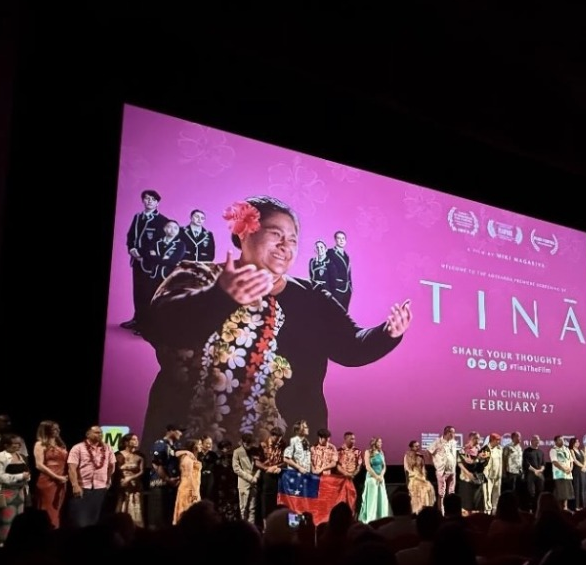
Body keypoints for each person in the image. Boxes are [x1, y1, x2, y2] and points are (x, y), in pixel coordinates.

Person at [139, 195, 410, 445]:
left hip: (287, 453)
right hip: (191, 450)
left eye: (292, 240)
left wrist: (387, 333)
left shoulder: (312, 296)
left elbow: (351, 347)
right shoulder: (197, 276)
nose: (285, 246)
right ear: (245, 233)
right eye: (276, 235)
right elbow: (160, 328)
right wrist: (221, 296)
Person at [124, 189, 164, 330]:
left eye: (153, 199)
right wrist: (131, 249)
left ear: (157, 203)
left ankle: (147, 325)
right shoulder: (137, 217)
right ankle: (137, 319)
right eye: (146, 198)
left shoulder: (162, 221)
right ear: (142, 200)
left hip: (151, 264)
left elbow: (159, 243)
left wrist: (141, 253)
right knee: (138, 291)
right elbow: (130, 236)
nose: (149, 201)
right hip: (136, 261)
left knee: (149, 293)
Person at [0, 434, 30, 546]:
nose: (18, 446)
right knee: (4, 520)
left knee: (17, 520)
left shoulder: (20, 457)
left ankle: (14, 543)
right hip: (5, 493)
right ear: (6, 445)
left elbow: (26, 473)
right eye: (15, 444)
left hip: (19, 494)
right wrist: (20, 476)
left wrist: (27, 476)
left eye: (20, 444)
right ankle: (0, 543)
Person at [66, 425, 116, 527]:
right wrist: (75, 485)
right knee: (81, 520)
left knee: (95, 519)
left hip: (100, 488)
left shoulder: (107, 448)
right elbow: (72, 468)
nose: (100, 434)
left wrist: (108, 480)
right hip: (83, 487)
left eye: (101, 432)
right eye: (96, 432)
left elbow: (112, 465)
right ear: (88, 434)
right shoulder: (78, 448)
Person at [279, 420, 322, 516]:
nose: (307, 429)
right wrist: (298, 467)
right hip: (295, 476)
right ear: (299, 430)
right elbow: (286, 458)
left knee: (303, 502)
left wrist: (313, 469)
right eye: (305, 427)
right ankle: (293, 523)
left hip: (305, 476)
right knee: (294, 502)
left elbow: (307, 458)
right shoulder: (293, 441)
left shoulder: (306, 442)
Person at [32, 420, 69, 527]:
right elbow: (39, 465)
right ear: (46, 430)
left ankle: (55, 532)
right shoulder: (40, 444)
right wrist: (56, 477)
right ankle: (47, 532)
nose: (58, 430)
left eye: (58, 428)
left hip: (61, 480)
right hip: (48, 481)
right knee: (47, 509)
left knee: (57, 508)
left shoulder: (60, 444)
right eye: (54, 429)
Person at [147, 423, 183, 529]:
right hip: (160, 484)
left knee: (168, 517)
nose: (181, 434)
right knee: (158, 516)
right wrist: (167, 479)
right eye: (179, 430)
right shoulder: (160, 444)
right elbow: (156, 464)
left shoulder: (174, 447)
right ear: (171, 430)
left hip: (171, 486)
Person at [309, 429, 340, 525]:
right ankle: (315, 521)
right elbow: (309, 460)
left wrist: (322, 468)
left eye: (328, 439)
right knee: (315, 500)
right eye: (324, 439)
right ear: (320, 438)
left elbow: (334, 463)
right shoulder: (313, 448)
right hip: (314, 478)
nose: (327, 441)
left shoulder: (332, 448)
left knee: (327, 500)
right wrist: (313, 469)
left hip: (327, 478)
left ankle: (326, 520)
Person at [326, 431, 361, 515]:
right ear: (345, 439)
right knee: (341, 499)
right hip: (341, 480)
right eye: (351, 439)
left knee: (353, 498)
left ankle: (353, 516)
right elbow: (337, 466)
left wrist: (353, 474)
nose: (353, 441)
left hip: (354, 479)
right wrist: (346, 474)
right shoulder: (339, 451)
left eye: (354, 439)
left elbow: (359, 465)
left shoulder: (357, 451)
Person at [115, 433, 145, 526]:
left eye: (137, 439)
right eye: (133, 439)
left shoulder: (140, 456)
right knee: (122, 504)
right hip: (122, 484)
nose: (136, 441)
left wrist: (131, 478)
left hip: (135, 485)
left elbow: (141, 471)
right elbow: (114, 470)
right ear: (126, 442)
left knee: (135, 506)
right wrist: (122, 480)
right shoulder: (118, 455)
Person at [359, 437, 390, 523]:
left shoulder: (381, 452)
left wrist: (381, 476)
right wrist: (376, 477)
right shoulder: (368, 452)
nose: (381, 444)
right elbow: (368, 467)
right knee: (372, 499)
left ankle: (381, 517)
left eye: (381, 442)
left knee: (381, 498)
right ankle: (371, 519)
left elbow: (384, 466)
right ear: (375, 443)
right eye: (379, 442)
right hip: (372, 479)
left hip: (380, 479)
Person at [172, 438, 202, 524]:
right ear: (194, 446)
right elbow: (189, 476)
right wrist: (193, 492)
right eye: (199, 444)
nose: (201, 446)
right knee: (187, 510)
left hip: (194, 486)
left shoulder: (192, 457)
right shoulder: (187, 458)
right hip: (188, 488)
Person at [231, 433, 259, 524]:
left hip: (255, 483)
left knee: (252, 508)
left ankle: (252, 528)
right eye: (247, 444)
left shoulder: (255, 451)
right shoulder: (237, 451)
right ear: (242, 442)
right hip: (244, 483)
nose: (249, 446)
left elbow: (259, 466)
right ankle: (244, 528)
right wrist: (250, 478)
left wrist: (256, 477)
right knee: (243, 508)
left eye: (250, 443)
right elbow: (236, 469)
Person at [403, 440, 436, 515]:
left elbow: (423, 468)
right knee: (417, 490)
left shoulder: (420, 456)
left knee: (427, 488)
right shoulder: (407, 456)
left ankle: (425, 511)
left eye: (418, 446)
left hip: (421, 476)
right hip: (413, 476)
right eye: (416, 446)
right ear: (411, 447)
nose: (418, 447)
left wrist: (423, 476)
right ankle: (416, 511)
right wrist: (415, 475)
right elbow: (407, 468)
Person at [457, 433, 487, 515]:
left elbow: (482, 463)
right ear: (472, 439)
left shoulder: (479, 449)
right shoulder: (463, 449)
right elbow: (461, 463)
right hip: (467, 478)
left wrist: (482, 458)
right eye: (477, 439)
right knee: (467, 502)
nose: (478, 441)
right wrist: (468, 473)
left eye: (479, 439)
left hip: (478, 478)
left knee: (478, 502)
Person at [325, 229, 352, 311]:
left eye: (343, 238)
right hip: (336, 289)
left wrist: (350, 287)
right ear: (335, 240)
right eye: (339, 238)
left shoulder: (346, 256)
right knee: (334, 313)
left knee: (344, 314)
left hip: (347, 289)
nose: (341, 240)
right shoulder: (330, 253)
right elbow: (327, 272)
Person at [431, 427, 459, 506]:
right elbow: (429, 451)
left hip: (452, 471)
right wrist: (434, 463)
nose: (454, 434)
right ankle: (442, 513)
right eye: (453, 432)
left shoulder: (453, 442)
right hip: (442, 471)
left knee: (451, 492)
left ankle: (451, 511)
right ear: (448, 433)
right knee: (441, 493)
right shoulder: (438, 442)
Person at [483, 434, 504, 516]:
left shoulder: (499, 449)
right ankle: (487, 512)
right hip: (489, 476)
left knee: (497, 494)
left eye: (499, 440)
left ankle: (495, 511)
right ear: (492, 440)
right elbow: (485, 464)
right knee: (488, 495)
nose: (499, 442)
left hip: (498, 476)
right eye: (497, 440)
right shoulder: (486, 449)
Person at [523, 434, 545, 506]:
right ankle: (531, 508)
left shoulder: (541, 452)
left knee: (540, 491)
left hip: (539, 474)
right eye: (536, 440)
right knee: (531, 492)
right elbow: (526, 463)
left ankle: (538, 507)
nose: (538, 442)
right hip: (531, 474)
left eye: (538, 440)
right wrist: (535, 470)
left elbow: (543, 464)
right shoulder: (527, 451)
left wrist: (540, 470)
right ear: (532, 441)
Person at [550, 436, 573, 504]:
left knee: (567, 492)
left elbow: (571, 460)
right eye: (560, 440)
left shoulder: (566, 449)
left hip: (568, 473)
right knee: (560, 492)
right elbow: (554, 462)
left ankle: (565, 507)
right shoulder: (553, 450)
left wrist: (570, 469)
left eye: (563, 440)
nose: (562, 441)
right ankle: (560, 508)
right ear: (555, 441)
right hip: (559, 474)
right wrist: (563, 469)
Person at [502, 431, 525, 496]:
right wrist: (504, 472)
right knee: (511, 490)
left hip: (519, 472)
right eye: (518, 436)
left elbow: (520, 460)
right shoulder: (507, 447)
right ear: (513, 438)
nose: (520, 438)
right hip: (511, 472)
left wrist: (522, 471)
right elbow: (504, 460)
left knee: (518, 490)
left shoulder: (519, 448)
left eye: (520, 436)